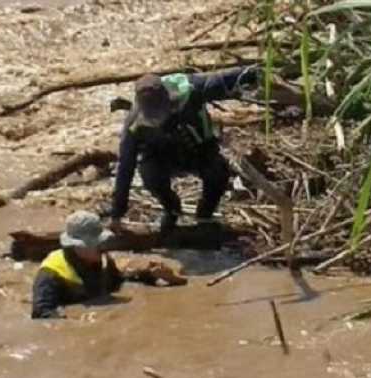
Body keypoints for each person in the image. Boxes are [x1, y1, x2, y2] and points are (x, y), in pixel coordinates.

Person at [103, 66, 262, 233]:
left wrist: (255, 74)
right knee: (149, 175)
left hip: (199, 150)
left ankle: (205, 215)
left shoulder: (191, 89)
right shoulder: (134, 125)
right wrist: (117, 214)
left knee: (218, 172)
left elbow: (226, 79)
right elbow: (125, 167)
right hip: (162, 157)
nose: (158, 119)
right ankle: (172, 209)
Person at [31, 210, 186, 319]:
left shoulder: (103, 260)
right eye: (97, 244)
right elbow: (42, 313)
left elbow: (119, 282)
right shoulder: (51, 274)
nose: (103, 247)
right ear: (77, 246)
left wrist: (157, 278)